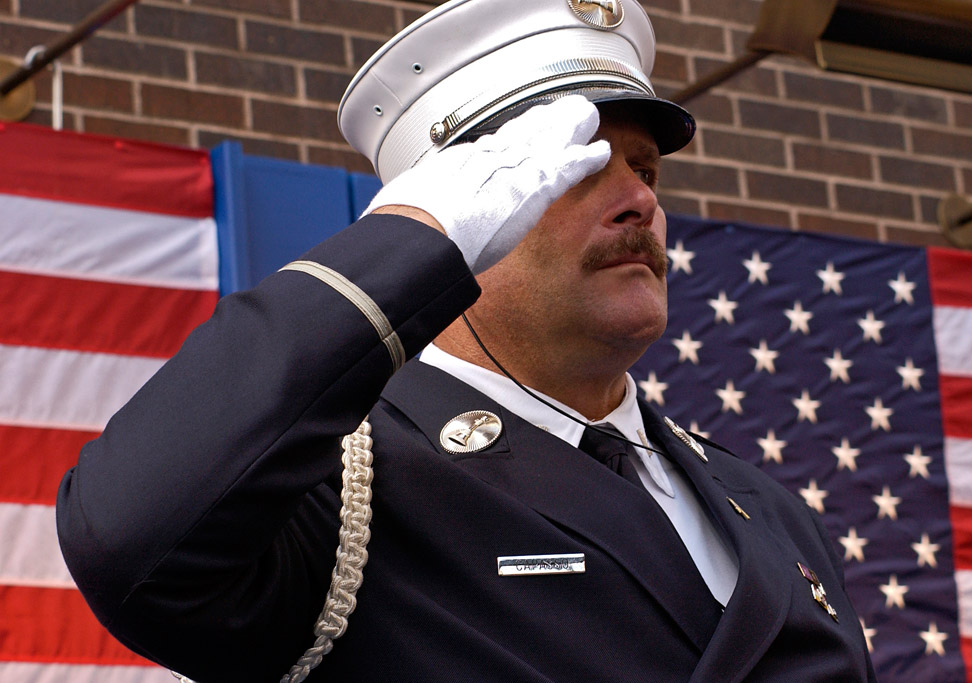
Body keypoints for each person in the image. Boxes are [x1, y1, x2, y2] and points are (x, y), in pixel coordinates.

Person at [57, 0, 876, 681]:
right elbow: (130, 536)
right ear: (464, 205)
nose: (638, 200)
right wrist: (407, 240)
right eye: (582, 165)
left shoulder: (761, 505)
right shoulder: (348, 488)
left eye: (646, 169)